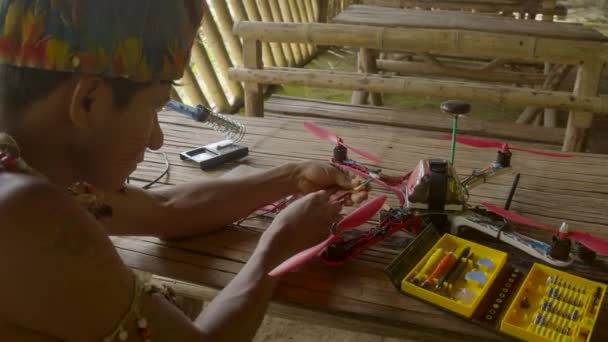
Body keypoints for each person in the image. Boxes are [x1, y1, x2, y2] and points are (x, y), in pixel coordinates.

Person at [0, 1, 368, 341]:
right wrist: (279, 246)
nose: (157, 140)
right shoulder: (24, 211)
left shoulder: (21, 163)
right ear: (88, 101)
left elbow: (167, 210)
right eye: (154, 108)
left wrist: (290, 177)